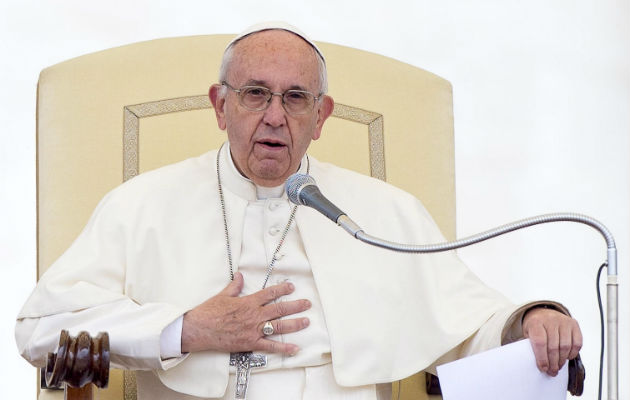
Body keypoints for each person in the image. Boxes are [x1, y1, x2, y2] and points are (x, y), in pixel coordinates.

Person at [16, 22, 582, 400]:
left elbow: (464, 322)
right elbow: (41, 329)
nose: (274, 117)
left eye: (295, 98)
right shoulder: (139, 205)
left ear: (322, 115)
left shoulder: (384, 211)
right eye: (255, 93)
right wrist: (186, 329)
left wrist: (531, 322)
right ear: (220, 105)